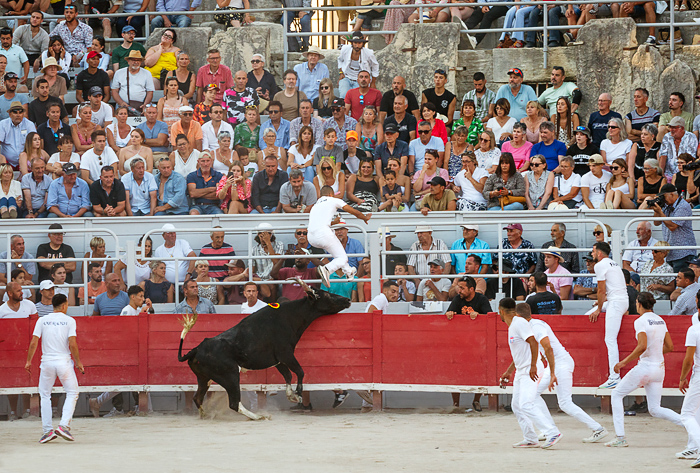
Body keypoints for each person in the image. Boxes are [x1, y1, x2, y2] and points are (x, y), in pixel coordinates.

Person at [518, 303, 609, 442]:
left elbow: (548, 348)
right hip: (557, 364)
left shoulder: (536, 327)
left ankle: (598, 429)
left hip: (560, 364)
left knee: (565, 403)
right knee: (533, 394)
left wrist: (553, 373)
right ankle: (549, 429)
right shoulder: (534, 324)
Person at [605, 292, 678, 447]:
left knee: (616, 394)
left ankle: (620, 437)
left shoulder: (640, 321)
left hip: (645, 367)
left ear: (638, 304)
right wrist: (655, 351)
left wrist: (623, 362)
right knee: (655, 409)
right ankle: (690, 425)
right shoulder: (660, 320)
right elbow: (670, 347)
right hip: (659, 368)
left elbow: (642, 346)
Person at [497, 297, 562, 449]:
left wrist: (533, 365)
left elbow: (533, 342)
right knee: (517, 405)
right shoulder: (513, 325)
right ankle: (531, 438)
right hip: (522, 369)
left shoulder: (518, 323)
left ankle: (552, 432)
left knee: (526, 404)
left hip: (529, 369)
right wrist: (508, 371)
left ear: (501, 311)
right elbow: (521, 352)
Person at [25, 293, 83, 444]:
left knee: (44, 395)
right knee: (72, 392)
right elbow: (73, 343)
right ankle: (64, 425)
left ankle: (47, 431)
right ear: (64, 305)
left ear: (53, 305)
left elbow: (33, 342)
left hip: (47, 362)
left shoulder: (42, 320)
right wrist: (78, 362)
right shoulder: (70, 321)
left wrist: (28, 361)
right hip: (63, 362)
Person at [309, 185, 371, 287]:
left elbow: (320, 224)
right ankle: (326, 269)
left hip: (311, 238)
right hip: (324, 235)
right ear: (331, 194)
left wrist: (334, 222)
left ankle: (348, 272)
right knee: (342, 258)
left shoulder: (315, 206)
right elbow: (352, 211)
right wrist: (364, 217)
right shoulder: (332, 200)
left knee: (338, 254)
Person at [589, 241, 629, 389]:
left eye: (593, 251)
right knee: (589, 312)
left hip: (616, 302)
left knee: (610, 339)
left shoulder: (599, 265)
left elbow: (601, 291)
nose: (592, 254)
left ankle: (614, 376)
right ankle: (614, 376)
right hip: (622, 300)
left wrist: (599, 309)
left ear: (599, 253)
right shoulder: (614, 263)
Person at [640, 183, 697, 270]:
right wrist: (657, 209)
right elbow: (656, 222)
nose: (663, 199)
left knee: (680, 281)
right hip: (671, 252)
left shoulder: (683, 206)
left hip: (683, 252)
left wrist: (661, 212)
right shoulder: (666, 206)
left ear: (671, 194)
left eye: (664, 196)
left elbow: (673, 226)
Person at [111, 50, 154, 115]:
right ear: (128, 61)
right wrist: (121, 103)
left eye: (138, 60)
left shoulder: (147, 73)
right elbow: (114, 91)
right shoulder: (119, 73)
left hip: (141, 106)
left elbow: (150, 91)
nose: (136, 62)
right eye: (133, 60)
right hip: (122, 106)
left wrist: (145, 104)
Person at [337, 32, 379, 98]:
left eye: (359, 43)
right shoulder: (345, 49)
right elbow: (340, 60)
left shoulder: (368, 53)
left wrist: (373, 82)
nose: (357, 45)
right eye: (355, 43)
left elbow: (375, 66)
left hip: (361, 79)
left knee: (358, 97)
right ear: (352, 43)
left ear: (363, 44)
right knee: (343, 95)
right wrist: (341, 72)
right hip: (347, 76)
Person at [658, 116, 698, 181]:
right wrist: (661, 175)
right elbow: (663, 156)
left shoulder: (691, 137)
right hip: (668, 174)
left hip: (684, 174)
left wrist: (683, 175)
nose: (671, 129)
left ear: (681, 128)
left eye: (674, 127)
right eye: (670, 127)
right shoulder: (667, 137)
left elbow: (690, 158)